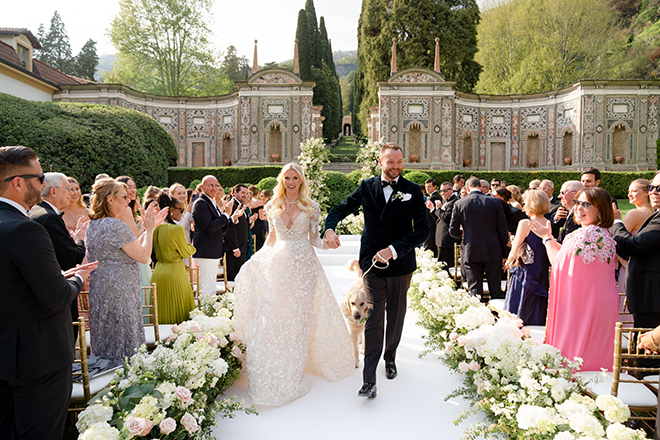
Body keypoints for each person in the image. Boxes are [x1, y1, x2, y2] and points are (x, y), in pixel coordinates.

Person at [233, 163, 354, 406]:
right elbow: (271, 239)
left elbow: (314, 240)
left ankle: (296, 366)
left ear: (301, 181)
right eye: (287, 177)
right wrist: (257, 259)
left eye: (295, 178)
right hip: (278, 266)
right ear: (282, 180)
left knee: (300, 318)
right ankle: (278, 362)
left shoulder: (311, 207)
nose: (290, 182)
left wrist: (328, 245)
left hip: (304, 268)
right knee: (278, 315)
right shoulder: (272, 205)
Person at [0, 145, 96, 440]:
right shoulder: (25, 229)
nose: (44, 184)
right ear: (18, 182)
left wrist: (56, 277)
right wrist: (78, 279)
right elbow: (55, 296)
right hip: (39, 357)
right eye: (40, 178)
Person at [324, 143, 430, 398]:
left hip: (400, 264)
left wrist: (394, 249)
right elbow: (340, 209)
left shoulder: (412, 190)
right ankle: (368, 380)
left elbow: (423, 230)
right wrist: (329, 228)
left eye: (399, 162)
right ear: (380, 162)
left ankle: (390, 357)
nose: (395, 167)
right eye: (390, 162)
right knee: (373, 318)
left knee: (395, 316)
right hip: (371, 264)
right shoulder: (366, 186)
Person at [530, 187, 618, 370]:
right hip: (603, 304)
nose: (578, 208)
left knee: (576, 355)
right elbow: (569, 257)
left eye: (586, 204)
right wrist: (549, 237)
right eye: (577, 203)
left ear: (601, 210)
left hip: (581, 306)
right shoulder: (605, 235)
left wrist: (547, 240)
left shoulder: (582, 235)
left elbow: (558, 262)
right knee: (596, 354)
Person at [86, 179, 168, 367]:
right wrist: (149, 230)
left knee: (107, 333)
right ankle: (126, 374)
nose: (127, 201)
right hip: (120, 290)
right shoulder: (115, 225)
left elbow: (126, 247)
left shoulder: (94, 224)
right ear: (110, 200)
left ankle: (109, 377)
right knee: (124, 335)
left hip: (101, 287)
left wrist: (149, 226)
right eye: (123, 197)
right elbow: (143, 256)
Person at [29, 172, 88, 343]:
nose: (71, 193)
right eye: (67, 189)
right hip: (58, 291)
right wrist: (80, 239)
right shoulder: (50, 217)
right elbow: (73, 257)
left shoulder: (38, 211)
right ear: (54, 191)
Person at [611, 171, 660, 334]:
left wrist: (616, 222)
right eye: (652, 187)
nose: (654, 191)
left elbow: (634, 245)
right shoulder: (655, 214)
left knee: (648, 356)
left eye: (659, 188)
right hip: (647, 298)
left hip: (653, 300)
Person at [449, 176, 509, 302]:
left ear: (467, 188)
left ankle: (476, 319)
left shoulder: (460, 203)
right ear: (481, 187)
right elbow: (503, 231)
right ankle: (498, 318)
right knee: (496, 290)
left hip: (471, 249)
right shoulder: (495, 202)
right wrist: (505, 254)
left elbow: (452, 231)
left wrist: (463, 234)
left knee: (474, 290)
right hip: (493, 249)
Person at [504, 190, 551, 325]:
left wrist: (508, 263)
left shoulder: (525, 223)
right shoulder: (549, 223)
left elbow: (514, 250)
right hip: (541, 272)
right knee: (536, 308)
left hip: (524, 272)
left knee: (517, 311)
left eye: (525, 203)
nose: (523, 207)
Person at [192, 175, 241, 295]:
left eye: (216, 185)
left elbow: (220, 227)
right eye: (210, 185)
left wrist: (232, 218)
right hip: (206, 252)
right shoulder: (201, 203)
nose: (214, 188)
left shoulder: (211, 202)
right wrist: (225, 214)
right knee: (207, 289)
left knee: (210, 287)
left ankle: (208, 312)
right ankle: (204, 313)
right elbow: (209, 227)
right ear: (202, 187)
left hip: (213, 251)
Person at [151, 194, 197, 324]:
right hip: (175, 273)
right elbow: (185, 252)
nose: (182, 214)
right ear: (171, 210)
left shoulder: (155, 227)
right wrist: (192, 247)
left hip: (158, 272)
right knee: (180, 313)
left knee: (159, 313)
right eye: (180, 210)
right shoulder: (176, 229)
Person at [616, 179, 652, 294]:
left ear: (647, 192)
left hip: (630, 266)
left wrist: (615, 221)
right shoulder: (654, 213)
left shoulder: (634, 214)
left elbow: (618, 240)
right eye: (628, 191)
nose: (629, 194)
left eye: (634, 191)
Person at [225, 184, 252, 280]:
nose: (245, 195)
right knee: (233, 278)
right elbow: (231, 228)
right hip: (235, 249)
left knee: (239, 278)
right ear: (235, 193)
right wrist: (235, 248)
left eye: (247, 193)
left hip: (242, 247)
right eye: (243, 193)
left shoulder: (241, 206)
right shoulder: (232, 205)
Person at [434, 181, 459, 268]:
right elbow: (439, 218)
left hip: (447, 240)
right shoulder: (445, 201)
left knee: (446, 266)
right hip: (441, 239)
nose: (442, 193)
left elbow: (446, 218)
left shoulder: (454, 202)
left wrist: (438, 208)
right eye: (441, 191)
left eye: (445, 191)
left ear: (451, 190)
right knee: (441, 264)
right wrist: (433, 209)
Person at [424, 178, 442, 258]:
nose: (427, 189)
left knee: (429, 250)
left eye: (429, 187)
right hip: (430, 227)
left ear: (435, 187)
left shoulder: (435, 197)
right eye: (426, 187)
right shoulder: (432, 196)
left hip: (431, 227)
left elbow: (434, 214)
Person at [249, 185, 266, 252]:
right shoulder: (259, 202)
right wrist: (267, 216)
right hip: (259, 226)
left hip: (250, 225)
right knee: (259, 246)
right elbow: (261, 217)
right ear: (258, 193)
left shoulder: (248, 203)